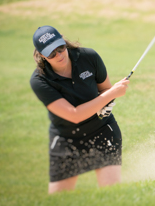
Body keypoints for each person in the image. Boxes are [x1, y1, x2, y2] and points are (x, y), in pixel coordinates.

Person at [30, 25, 130, 193]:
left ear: (63, 41)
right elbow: (74, 115)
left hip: (102, 131)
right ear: (42, 55)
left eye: (60, 48)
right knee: (58, 201)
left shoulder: (88, 57)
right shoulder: (40, 80)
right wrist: (112, 93)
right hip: (67, 139)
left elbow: (105, 90)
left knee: (112, 195)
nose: (59, 55)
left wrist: (108, 100)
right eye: (51, 53)